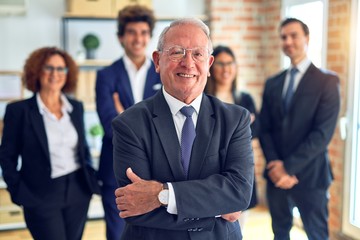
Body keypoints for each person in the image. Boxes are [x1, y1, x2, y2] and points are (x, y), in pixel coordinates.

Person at [113, 18, 254, 240]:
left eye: (197, 54)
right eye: (177, 52)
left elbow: (239, 193)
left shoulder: (235, 119)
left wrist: (161, 195)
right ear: (158, 61)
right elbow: (135, 208)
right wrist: (217, 207)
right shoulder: (129, 124)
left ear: (209, 64)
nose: (188, 63)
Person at [0, 47, 99, 240]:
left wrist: (90, 182)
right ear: (37, 71)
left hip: (78, 191)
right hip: (40, 194)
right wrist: (18, 192)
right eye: (49, 68)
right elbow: (6, 156)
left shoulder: (75, 107)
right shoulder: (19, 111)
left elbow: (83, 148)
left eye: (61, 69)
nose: (56, 74)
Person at [259, 18, 340, 240]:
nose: (288, 41)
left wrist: (288, 168)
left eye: (293, 35)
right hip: (276, 175)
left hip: (312, 175)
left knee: (316, 234)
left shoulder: (327, 82)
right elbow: (264, 128)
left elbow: (322, 134)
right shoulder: (273, 83)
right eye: (283, 37)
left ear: (307, 38)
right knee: (280, 233)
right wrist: (276, 166)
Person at [95, 4, 161, 239]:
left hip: (157, 170)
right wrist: (145, 124)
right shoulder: (105, 76)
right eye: (132, 32)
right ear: (121, 37)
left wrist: (125, 116)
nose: (138, 39)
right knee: (117, 233)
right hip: (115, 170)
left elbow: (167, 124)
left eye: (144, 32)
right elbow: (108, 125)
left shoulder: (162, 73)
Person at [205, 45, 259, 227]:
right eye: (220, 63)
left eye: (230, 63)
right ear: (211, 66)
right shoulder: (202, 98)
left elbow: (255, 131)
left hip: (237, 167)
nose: (226, 68)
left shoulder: (244, 99)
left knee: (238, 227)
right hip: (209, 169)